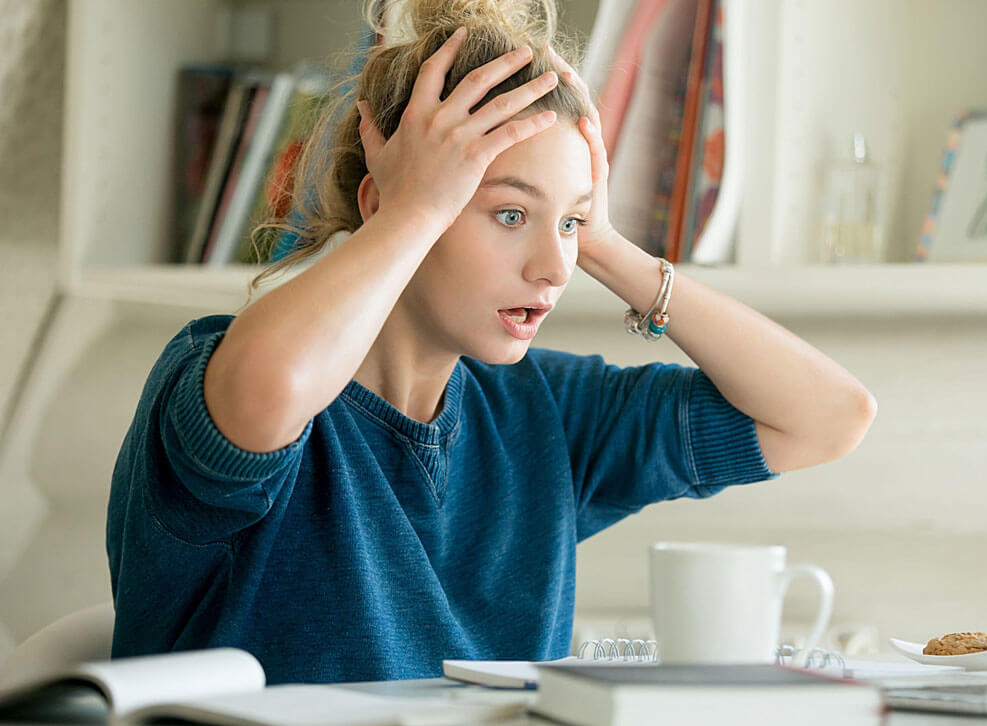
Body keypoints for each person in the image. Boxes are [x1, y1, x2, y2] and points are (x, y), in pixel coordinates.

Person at [106, 0, 876, 685]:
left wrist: (608, 245)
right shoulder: (214, 370)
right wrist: (414, 213)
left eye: (568, 226)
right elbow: (269, 393)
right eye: (509, 215)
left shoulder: (544, 410)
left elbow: (828, 416)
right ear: (390, 201)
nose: (552, 268)